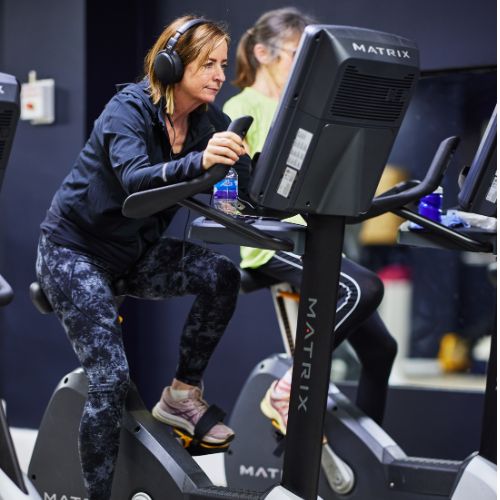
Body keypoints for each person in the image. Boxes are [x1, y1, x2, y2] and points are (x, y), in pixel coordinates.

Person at [36, 15, 250, 500]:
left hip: (134, 253)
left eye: (222, 64)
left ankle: (181, 396)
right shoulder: (127, 109)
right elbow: (135, 178)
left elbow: (240, 178)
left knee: (221, 274)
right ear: (172, 63)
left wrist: (256, 182)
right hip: (75, 251)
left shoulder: (206, 121)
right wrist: (202, 161)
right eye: (208, 64)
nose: (220, 75)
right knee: (110, 379)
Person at [223, 7, 398, 434]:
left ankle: (368, 456)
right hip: (272, 246)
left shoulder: (304, 110)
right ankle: (287, 389)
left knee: (381, 351)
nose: (304, 69)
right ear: (263, 53)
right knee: (366, 288)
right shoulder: (241, 105)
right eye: (296, 56)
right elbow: (230, 191)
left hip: (311, 236)